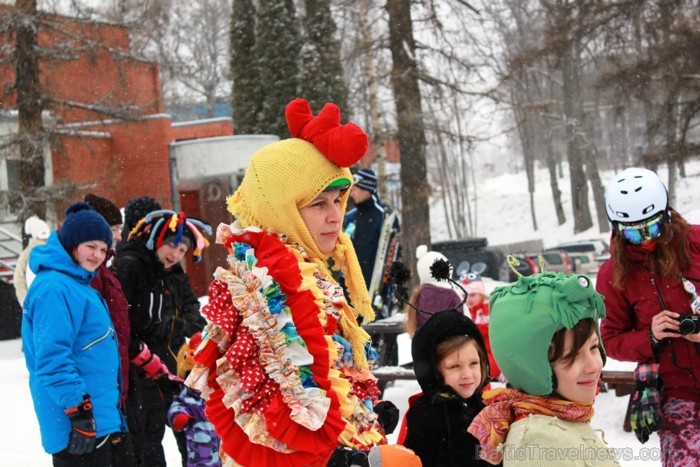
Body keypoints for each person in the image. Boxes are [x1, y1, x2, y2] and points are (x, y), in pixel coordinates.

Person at [184, 97, 419, 467]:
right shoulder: (273, 282)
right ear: (281, 207)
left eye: (338, 200)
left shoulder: (304, 267)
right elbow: (282, 418)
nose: (334, 216)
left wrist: (360, 415)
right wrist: (339, 460)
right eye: (317, 204)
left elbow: (325, 372)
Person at [596, 167, 700, 465]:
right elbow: (612, 340)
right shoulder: (613, 274)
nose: (643, 239)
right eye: (631, 231)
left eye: (650, 228)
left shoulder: (696, 244)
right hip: (676, 392)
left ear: (666, 215)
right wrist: (650, 335)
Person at [468, 271, 619, 466]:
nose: (593, 365)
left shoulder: (561, 416)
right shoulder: (538, 443)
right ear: (532, 367)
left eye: (594, 347)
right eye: (571, 357)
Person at [22, 202, 128, 466]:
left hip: (93, 420)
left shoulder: (75, 283)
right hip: (76, 424)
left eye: (103, 249)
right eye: (91, 246)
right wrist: (79, 411)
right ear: (72, 244)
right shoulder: (55, 288)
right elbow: (52, 359)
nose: (97, 255)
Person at [113, 209, 211, 467]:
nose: (175, 254)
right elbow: (128, 322)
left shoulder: (175, 274)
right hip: (144, 374)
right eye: (171, 245)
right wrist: (169, 327)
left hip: (179, 373)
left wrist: (191, 330)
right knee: (148, 445)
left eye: (182, 250)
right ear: (156, 238)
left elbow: (192, 309)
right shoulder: (132, 266)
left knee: (194, 440)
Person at [399, 310, 494, 467]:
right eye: (455, 366)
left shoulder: (488, 408)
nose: (467, 374)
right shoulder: (425, 416)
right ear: (436, 371)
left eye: (473, 363)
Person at [167, 333, 222, 467]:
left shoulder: (218, 398)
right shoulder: (186, 399)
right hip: (200, 461)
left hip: (222, 459)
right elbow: (176, 409)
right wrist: (179, 417)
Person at [344, 167, 399, 291]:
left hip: (375, 288)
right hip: (350, 287)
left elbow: (393, 253)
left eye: (354, 189)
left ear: (366, 189)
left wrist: (388, 287)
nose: (351, 194)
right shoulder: (351, 217)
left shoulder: (384, 216)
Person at [404, 245, 463, 337]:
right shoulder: (450, 294)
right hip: (450, 344)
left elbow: (415, 323)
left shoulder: (419, 295)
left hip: (425, 344)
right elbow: (462, 322)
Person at [463, 277, 500, 379]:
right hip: (472, 352)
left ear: (481, 294)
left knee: (482, 372)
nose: (468, 299)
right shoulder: (464, 310)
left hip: (491, 353)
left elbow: (492, 328)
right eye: (465, 295)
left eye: (473, 295)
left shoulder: (487, 310)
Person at [13, 215, 50, 306]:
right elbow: (19, 279)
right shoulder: (28, 254)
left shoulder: (52, 251)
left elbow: (18, 280)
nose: (44, 240)